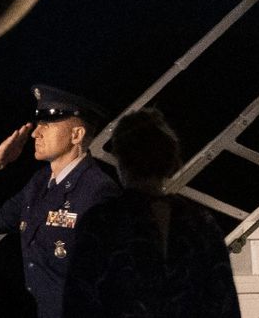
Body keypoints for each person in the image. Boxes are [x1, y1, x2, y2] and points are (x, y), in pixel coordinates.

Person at [62, 109, 241, 318]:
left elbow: (79, 304)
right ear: (169, 160)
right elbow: (224, 303)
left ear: (122, 161)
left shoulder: (103, 222)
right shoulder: (200, 221)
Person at [0, 85, 120, 318]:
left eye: (46, 125)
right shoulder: (39, 183)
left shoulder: (97, 191)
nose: (35, 134)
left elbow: (109, 279)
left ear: (76, 135)